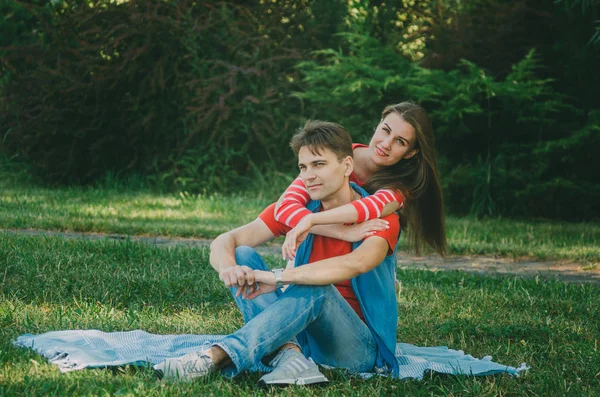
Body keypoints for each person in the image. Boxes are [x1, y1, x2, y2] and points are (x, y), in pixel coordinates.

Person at [153, 120, 402, 385]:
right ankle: (291, 359)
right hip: (303, 337)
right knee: (242, 254)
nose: (309, 176)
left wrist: (277, 277)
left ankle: (216, 356)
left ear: (347, 166)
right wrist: (229, 269)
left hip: (356, 348)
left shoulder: (378, 218)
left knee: (317, 287)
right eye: (303, 167)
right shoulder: (300, 212)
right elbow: (225, 241)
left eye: (319, 164)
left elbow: (356, 263)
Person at [275, 102, 446, 260]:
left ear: (410, 153)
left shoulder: (399, 188)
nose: (386, 144)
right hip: (316, 244)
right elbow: (283, 208)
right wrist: (342, 231)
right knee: (267, 221)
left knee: (386, 222)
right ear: (378, 124)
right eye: (385, 130)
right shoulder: (336, 157)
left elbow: (368, 208)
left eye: (400, 141)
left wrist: (311, 220)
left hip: (361, 259)